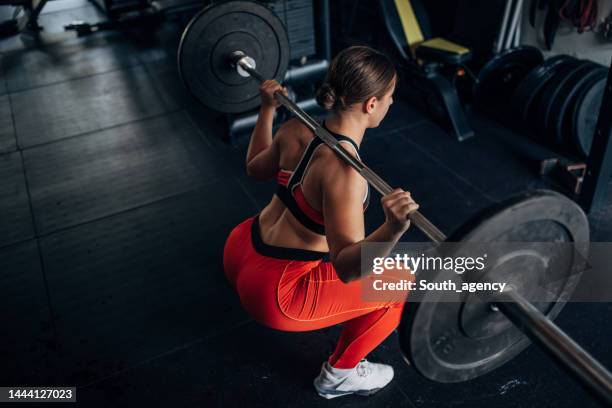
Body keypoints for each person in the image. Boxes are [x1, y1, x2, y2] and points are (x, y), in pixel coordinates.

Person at [223, 46, 419, 399]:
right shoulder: (346, 173)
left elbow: (254, 168)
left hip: (240, 248)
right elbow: (347, 267)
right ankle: (339, 377)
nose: (391, 103)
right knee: (399, 286)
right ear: (371, 104)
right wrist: (393, 228)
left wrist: (266, 110)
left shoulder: (295, 127)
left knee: (385, 268)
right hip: (275, 294)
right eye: (390, 97)